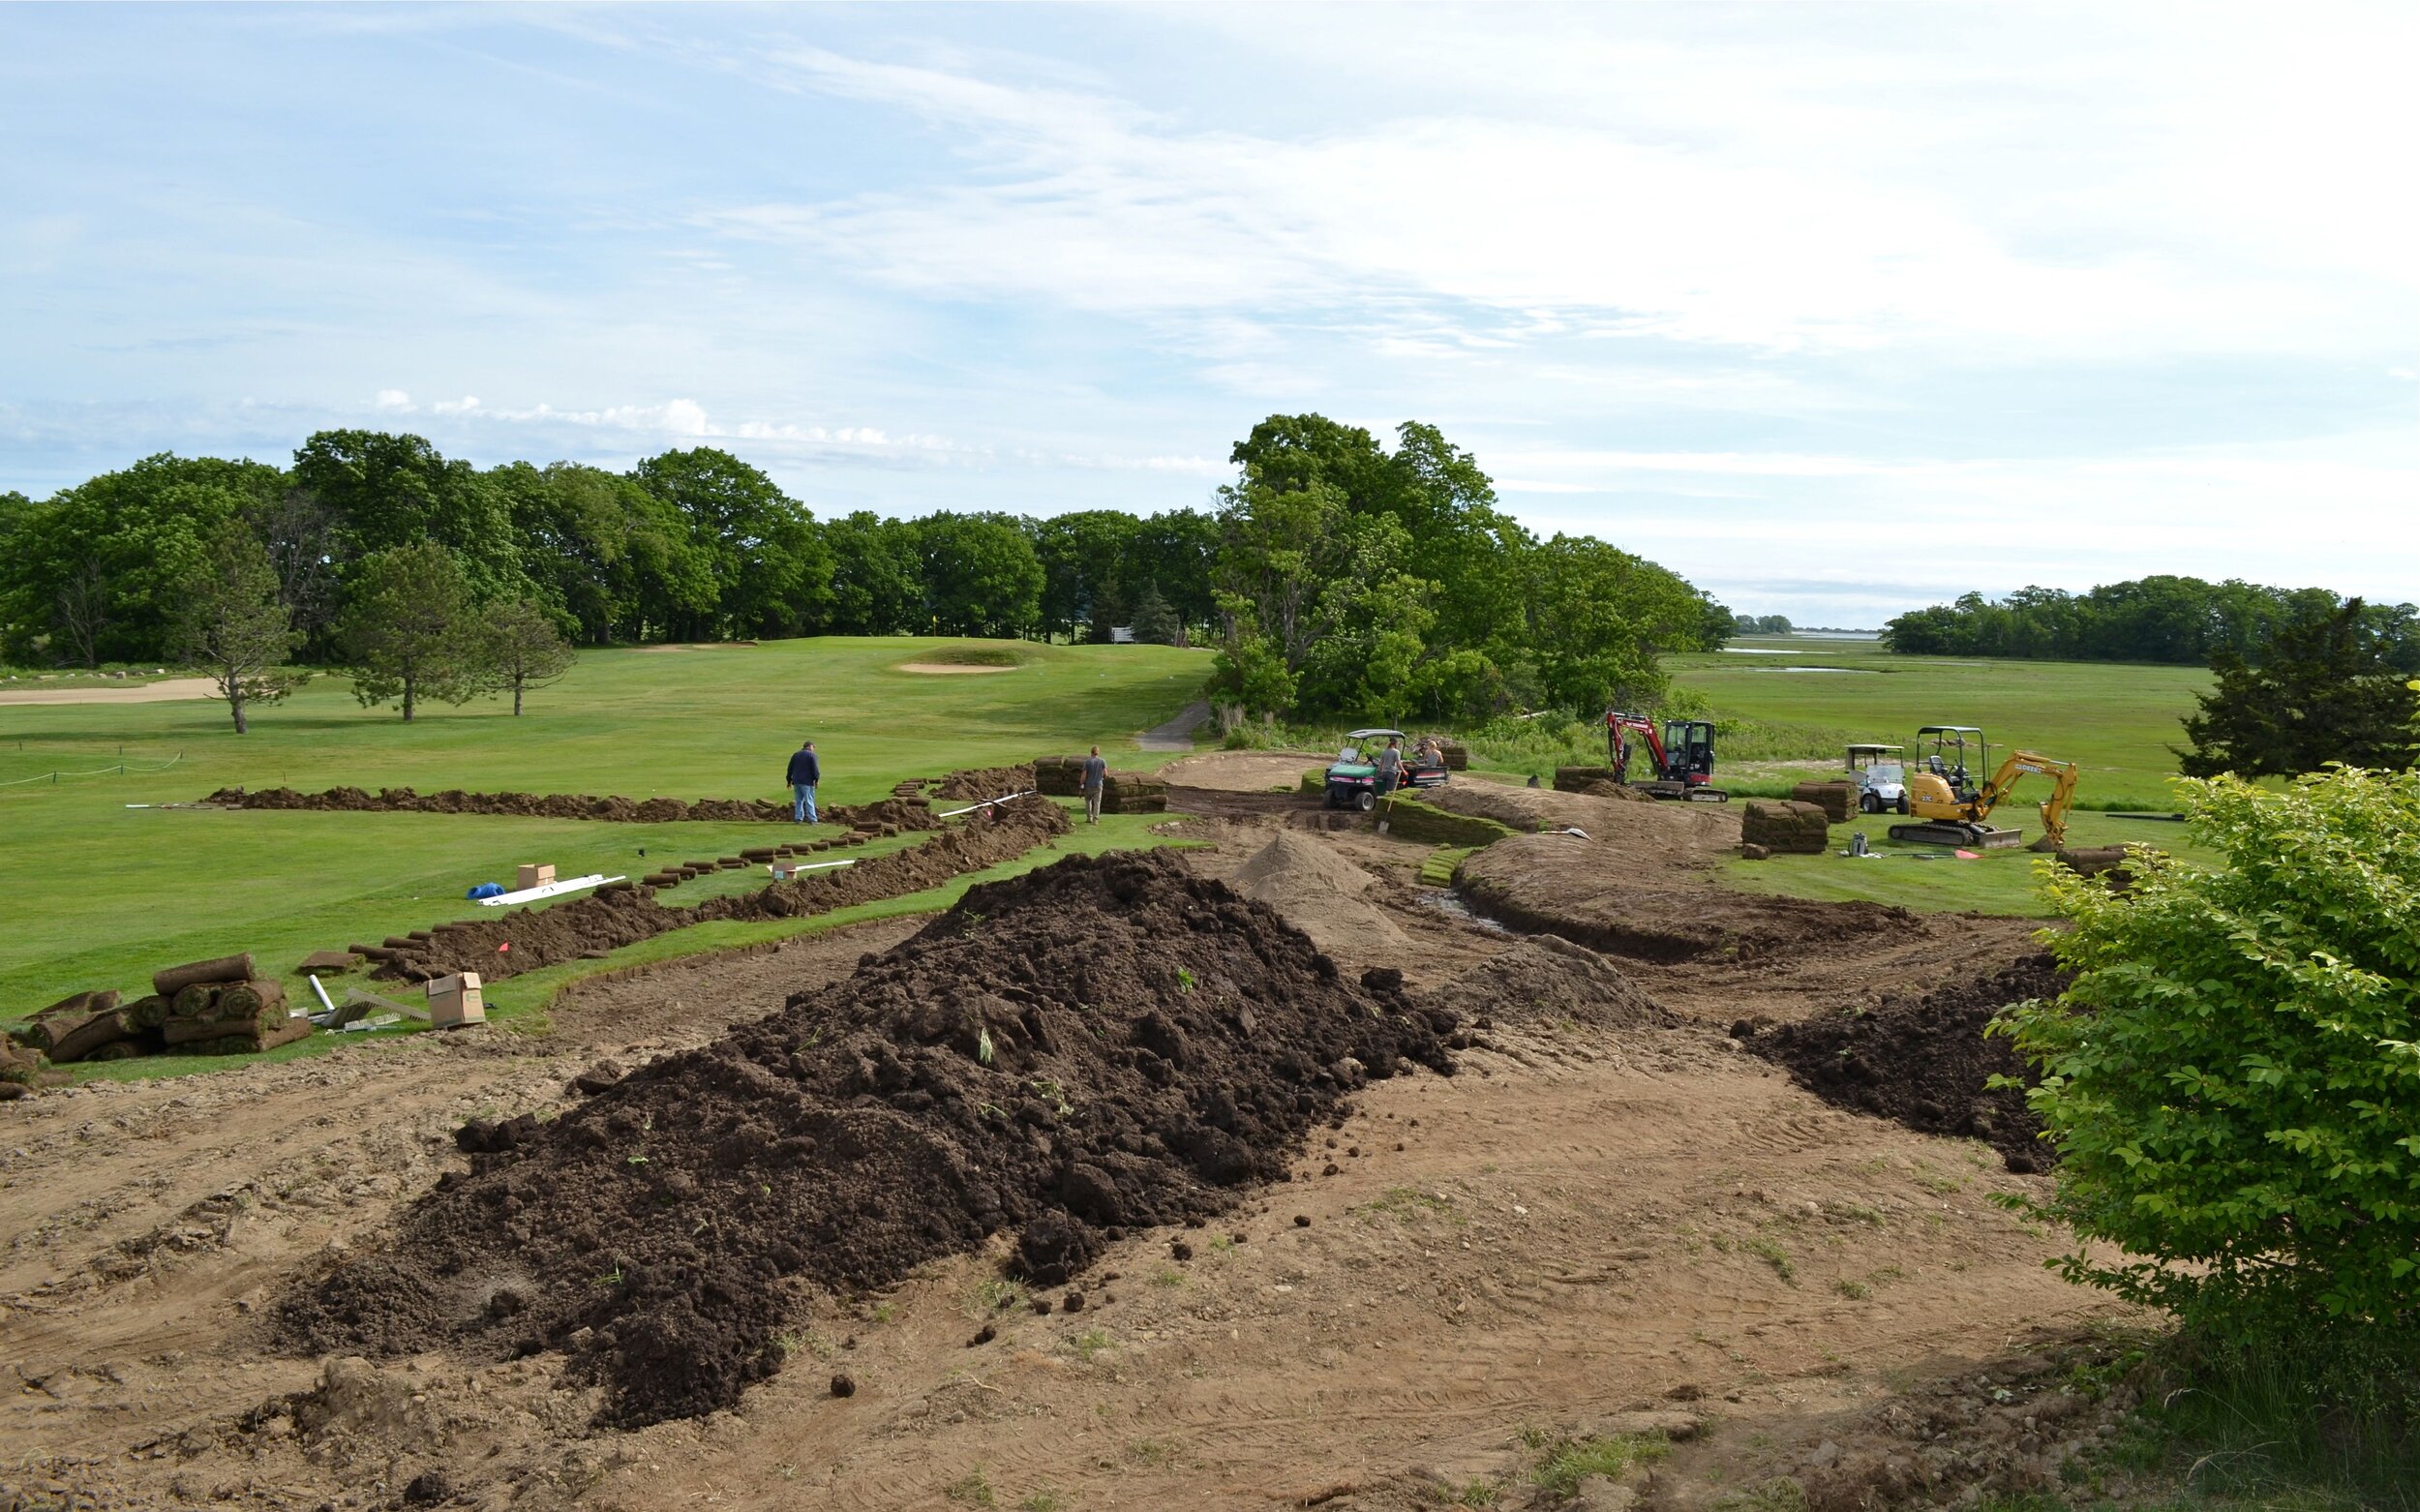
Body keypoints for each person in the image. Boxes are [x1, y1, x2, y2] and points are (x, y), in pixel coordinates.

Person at [786, 739, 821, 824]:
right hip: (807, 782)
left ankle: (798, 818)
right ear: (809, 747)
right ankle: (812, 819)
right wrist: (816, 779)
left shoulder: (796, 755)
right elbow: (815, 769)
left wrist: (788, 780)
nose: (813, 749)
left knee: (798, 800)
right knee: (809, 799)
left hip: (796, 781)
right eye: (813, 747)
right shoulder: (812, 756)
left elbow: (790, 768)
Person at [1081, 744, 1107, 824]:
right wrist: (1102, 777)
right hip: (1098, 785)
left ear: (1091, 752)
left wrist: (1081, 784)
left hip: (1089, 785)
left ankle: (1089, 818)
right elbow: (1105, 773)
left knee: (1088, 801)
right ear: (1098, 753)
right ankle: (1095, 820)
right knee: (1097, 802)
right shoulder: (1102, 761)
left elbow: (1084, 774)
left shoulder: (1087, 762)